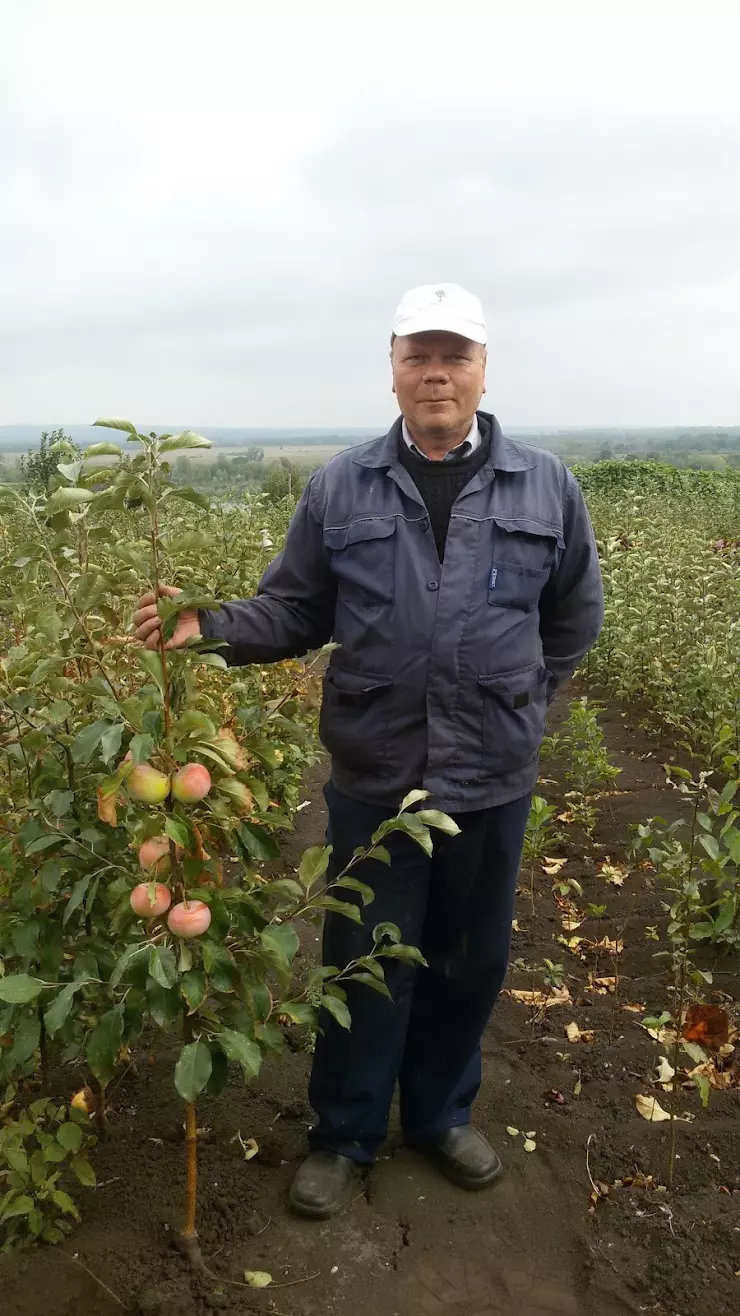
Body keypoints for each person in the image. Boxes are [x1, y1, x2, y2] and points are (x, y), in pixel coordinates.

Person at [134, 282, 604, 1219]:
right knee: (364, 956)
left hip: (489, 779)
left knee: (468, 959)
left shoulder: (546, 485)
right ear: (392, 369)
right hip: (377, 771)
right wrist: (210, 624)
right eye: (417, 355)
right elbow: (298, 607)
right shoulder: (341, 484)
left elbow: (573, 616)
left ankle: (438, 1116)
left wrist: (521, 703)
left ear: (481, 369)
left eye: (454, 355)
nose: (436, 373)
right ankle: (345, 1133)